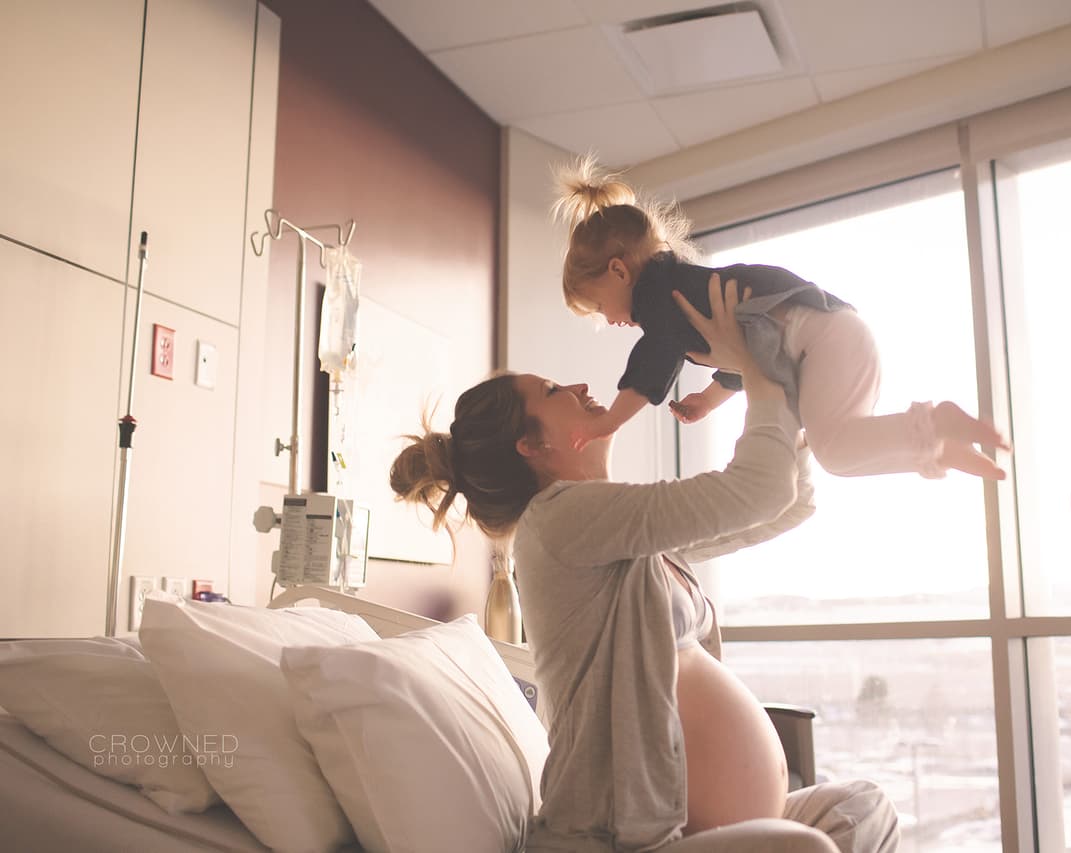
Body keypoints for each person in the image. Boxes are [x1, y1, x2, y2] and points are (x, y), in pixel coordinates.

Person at [391, 274, 1007, 852]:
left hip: (722, 823)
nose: (579, 387)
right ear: (533, 446)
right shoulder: (558, 521)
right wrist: (756, 365)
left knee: (863, 808)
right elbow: (758, 491)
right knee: (812, 846)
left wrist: (793, 386)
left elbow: (782, 508)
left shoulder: (621, 532)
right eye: (553, 392)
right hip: (637, 835)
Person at [552, 156, 1006, 481]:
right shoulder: (683, 297)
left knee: (834, 448)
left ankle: (935, 425)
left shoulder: (658, 295)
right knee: (839, 456)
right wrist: (709, 401)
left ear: (618, 271)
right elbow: (748, 353)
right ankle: (938, 448)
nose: (609, 320)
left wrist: (608, 421)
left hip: (823, 338)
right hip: (837, 334)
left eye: (598, 306)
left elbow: (654, 357)